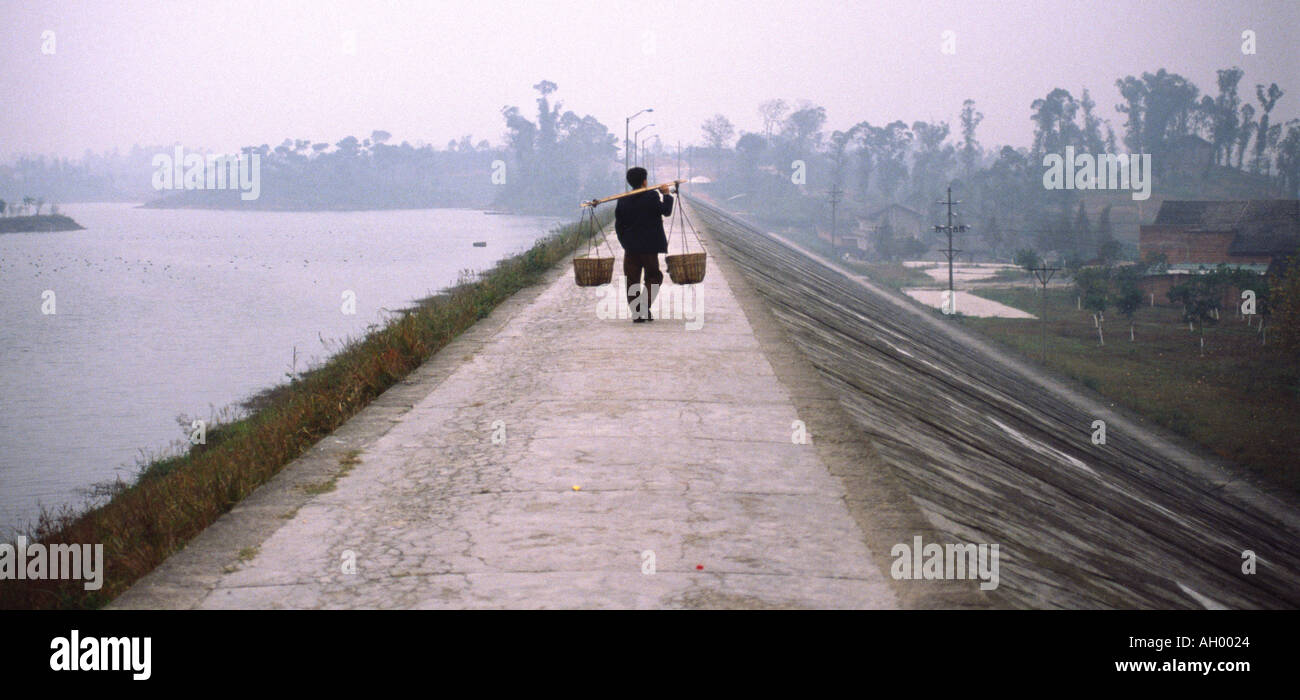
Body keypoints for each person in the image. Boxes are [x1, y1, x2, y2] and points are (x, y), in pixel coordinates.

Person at [614, 167, 674, 322]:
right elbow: (666, 211)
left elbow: (618, 225)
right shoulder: (651, 196)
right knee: (654, 276)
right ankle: (642, 306)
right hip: (649, 247)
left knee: (632, 280)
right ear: (644, 181)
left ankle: (637, 312)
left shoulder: (623, 199)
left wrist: (625, 242)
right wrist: (666, 195)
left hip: (630, 247)